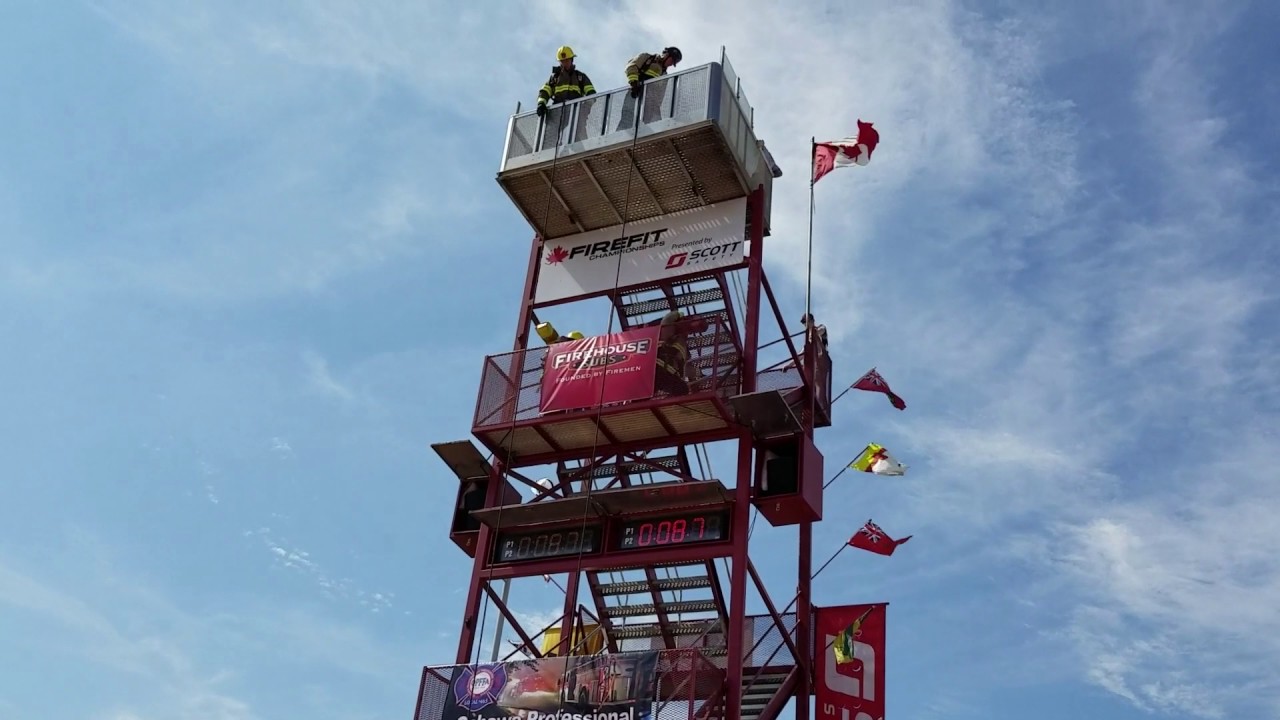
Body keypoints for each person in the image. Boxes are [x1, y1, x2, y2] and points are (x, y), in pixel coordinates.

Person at [617, 47, 682, 129]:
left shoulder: (664, 76)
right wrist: (634, 83)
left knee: (655, 124)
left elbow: (660, 95)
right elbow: (631, 67)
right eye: (672, 60)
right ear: (667, 55)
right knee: (627, 119)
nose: (671, 64)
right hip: (635, 94)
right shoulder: (646, 58)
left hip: (650, 102)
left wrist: (655, 107)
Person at [536, 46, 596, 118]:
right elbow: (545, 91)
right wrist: (541, 104)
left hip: (576, 114)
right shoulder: (555, 78)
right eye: (562, 61)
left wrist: (585, 109)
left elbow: (591, 94)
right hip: (557, 115)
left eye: (567, 60)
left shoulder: (580, 76)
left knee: (579, 129)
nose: (565, 63)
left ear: (572, 60)